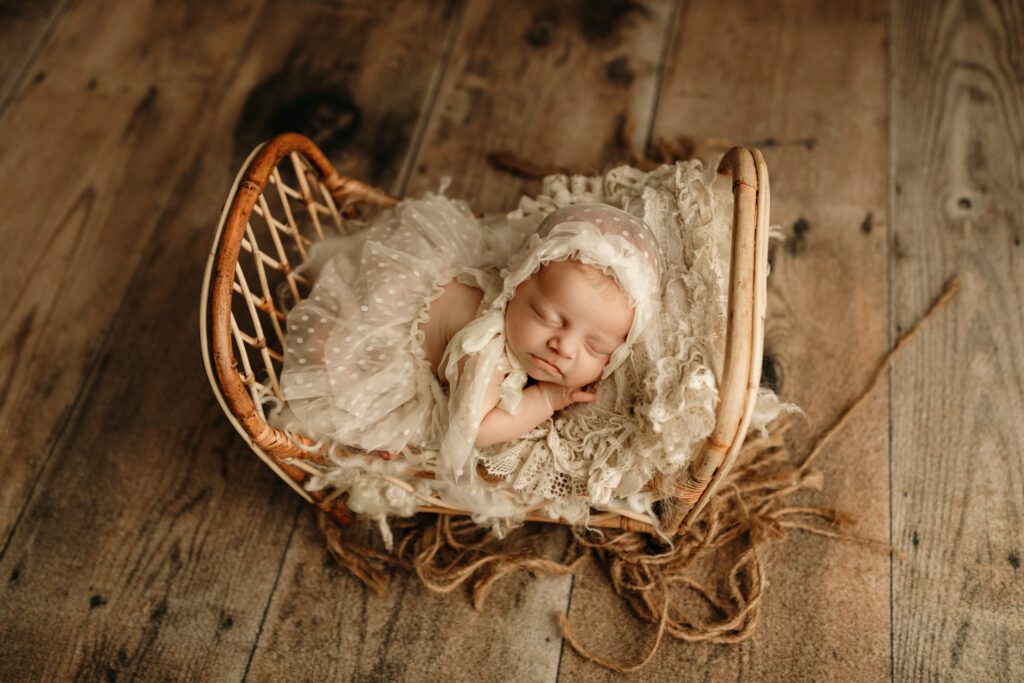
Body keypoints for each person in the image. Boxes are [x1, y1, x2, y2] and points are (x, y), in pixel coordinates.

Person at [278, 197, 662, 486]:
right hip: (383, 325)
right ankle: (325, 337)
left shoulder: (535, 316)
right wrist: (548, 398)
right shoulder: (486, 350)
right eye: (547, 318)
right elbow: (475, 429)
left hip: (416, 284)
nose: (564, 347)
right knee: (331, 356)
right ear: (515, 283)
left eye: (595, 347)